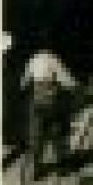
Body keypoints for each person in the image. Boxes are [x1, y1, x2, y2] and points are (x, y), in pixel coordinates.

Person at [20, 46, 77, 177]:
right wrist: (75, 87)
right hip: (50, 101)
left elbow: (23, 82)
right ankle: (63, 166)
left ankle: (37, 168)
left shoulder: (32, 60)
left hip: (36, 102)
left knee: (36, 134)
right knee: (60, 130)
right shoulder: (53, 60)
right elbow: (66, 81)